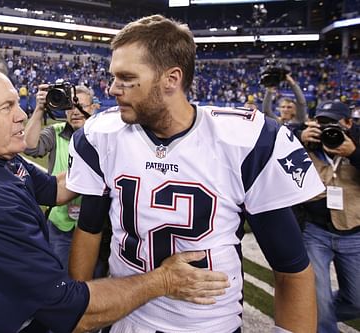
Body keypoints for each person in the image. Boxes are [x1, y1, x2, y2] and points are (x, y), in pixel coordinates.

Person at [0, 61, 231, 333]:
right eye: (6, 107)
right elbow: (71, 311)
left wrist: (114, 158)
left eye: (18, 102)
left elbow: (55, 189)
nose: (21, 115)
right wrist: (163, 279)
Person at [66, 15, 325, 333]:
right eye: (113, 76)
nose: (112, 88)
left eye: (126, 78)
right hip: (125, 316)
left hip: (209, 324)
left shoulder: (244, 141)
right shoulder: (100, 135)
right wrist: (79, 311)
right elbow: (89, 229)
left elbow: (291, 269)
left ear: (171, 79)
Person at [296, 100, 360, 333]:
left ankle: (311, 312)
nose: (328, 129)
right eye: (322, 123)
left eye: (334, 124)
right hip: (315, 232)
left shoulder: (357, 142)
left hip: (354, 232)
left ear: (349, 123)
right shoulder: (307, 143)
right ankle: (319, 315)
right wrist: (298, 137)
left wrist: (354, 153)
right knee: (319, 299)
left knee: (356, 302)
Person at [24, 84, 95, 270]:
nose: (76, 112)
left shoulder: (103, 137)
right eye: (71, 106)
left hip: (93, 223)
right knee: (57, 277)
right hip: (59, 223)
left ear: (94, 108)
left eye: (82, 106)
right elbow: (30, 146)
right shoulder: (55, 132)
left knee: (92, 281)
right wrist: (40, 109)